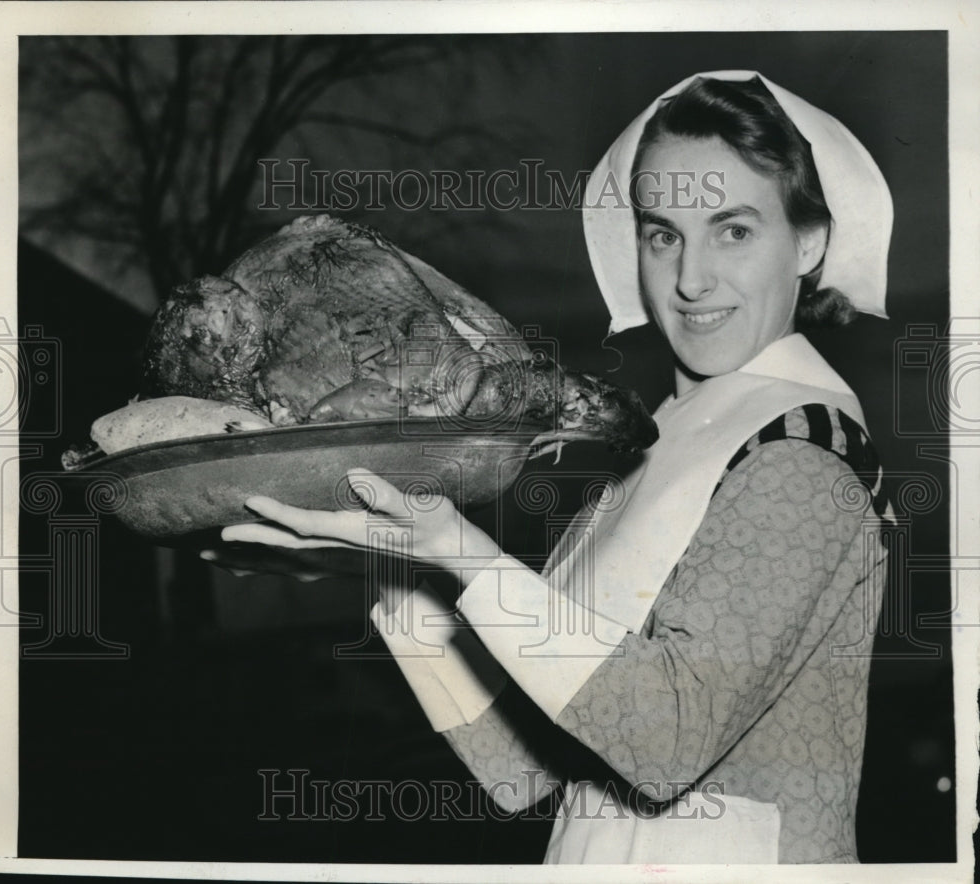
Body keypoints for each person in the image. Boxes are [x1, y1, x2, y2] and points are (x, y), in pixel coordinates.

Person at [215, 71, 895, 864]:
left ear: (809, 243)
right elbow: (521, 770)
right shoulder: (665, 444)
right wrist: (394, 564)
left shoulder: (802, 451)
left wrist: (467, 555)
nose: (690, 278)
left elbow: (665, 742)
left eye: (733, 231)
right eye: (663, 234)